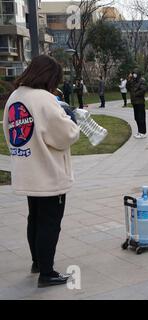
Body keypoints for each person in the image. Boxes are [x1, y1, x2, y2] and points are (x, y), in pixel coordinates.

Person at [2, 55, 80, 288]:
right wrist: (71, 119)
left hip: (27, 169)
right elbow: (64, 135)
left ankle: (38, 262)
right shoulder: (44, 99)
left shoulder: (15, 97)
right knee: (49, 223)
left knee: (34, 218)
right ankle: (47, 272)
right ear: (48, 77)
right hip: (48, 172)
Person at [126, 69, 147, 139]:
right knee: (137, 118)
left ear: (138, 73)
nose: (134, 74)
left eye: (135, 73)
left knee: (141, 118)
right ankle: (139, 131)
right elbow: (128, 87)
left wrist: (135, 94)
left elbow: (143, 90)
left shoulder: (142, 80)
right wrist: (129, 79)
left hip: (140, 102)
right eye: (133, 73)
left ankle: (143, 132)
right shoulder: (133, 80)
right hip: (134, 102)